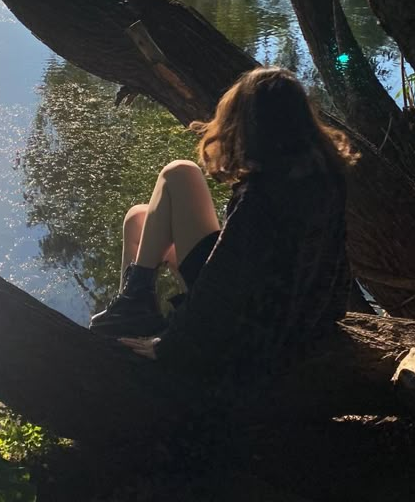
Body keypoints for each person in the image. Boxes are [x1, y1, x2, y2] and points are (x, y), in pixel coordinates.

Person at [89, 66, 359, 380]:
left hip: (255, 330)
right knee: (139, 219)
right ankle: (133, 307)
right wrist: (326, 316)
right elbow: (337, 259)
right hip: (285, 313)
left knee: (179, 172)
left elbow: (223, 284)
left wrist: (171, 345)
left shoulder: (262, 195)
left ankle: (132, 308)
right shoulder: (325, 177)